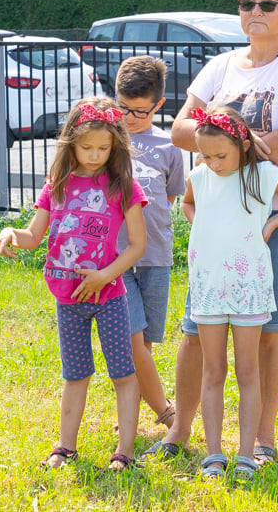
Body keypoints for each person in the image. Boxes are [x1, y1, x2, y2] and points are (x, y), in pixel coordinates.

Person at [146, 0, 278, 464]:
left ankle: (262, 439)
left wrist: (224, 142)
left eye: (266, 5)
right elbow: (181, 129)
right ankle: (179, 432)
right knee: (195, 326)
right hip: (217, 216)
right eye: (247, 4)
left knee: (271, 327)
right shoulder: (222, 65)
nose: (254, 13)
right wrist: (231, 152)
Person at [0, 96, 148, 470]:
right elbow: (32, 235)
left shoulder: (122, 186)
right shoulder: (57, 185)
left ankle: (124, 452)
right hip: (67, 298)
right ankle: (65, 446)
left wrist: (104, 276)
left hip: (109, 295)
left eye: (103, 148)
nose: (94, 155)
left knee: (123, 374)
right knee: (75, 373)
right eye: (86, 148)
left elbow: (138, 245)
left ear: (115, 146)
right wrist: (10, 232)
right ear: (70, 144)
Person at [183, 106, 278, 479]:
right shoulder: (200, 176)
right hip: (208, 287)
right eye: (206, 156)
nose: (213, 163)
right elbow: (189, 203)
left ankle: (244, 454)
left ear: (242, 144)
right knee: (213, 371)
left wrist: (272, 223)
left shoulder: (263, 175)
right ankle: (212, 454)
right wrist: (200, 224)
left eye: (220, 156)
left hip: (249, 288)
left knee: (247, 371)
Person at [114, 56, 186, 431]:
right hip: (117, 257)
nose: (129, 117)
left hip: (157, 255)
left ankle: (129, 408)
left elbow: (170, 199)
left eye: (139, 111)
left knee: (145, 343)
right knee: (130, 336)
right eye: (122, 107)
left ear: (158, 105)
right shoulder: (106, 141)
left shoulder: (168, 145)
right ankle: (165, 410)